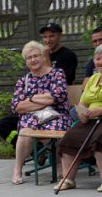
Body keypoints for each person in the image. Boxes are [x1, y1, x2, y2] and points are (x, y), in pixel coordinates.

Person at [55, 43, 102, 193]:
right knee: (70, 136)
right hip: (91, 118)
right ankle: (68, 179)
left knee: (100, 137)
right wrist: (82, 113)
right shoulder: (94, 78)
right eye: (97, 58)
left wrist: (99, 111)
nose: (100, 61)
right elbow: (83, 102)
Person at [0, 22, 81, 147]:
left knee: (44, 124)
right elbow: (17, 105)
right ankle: (36, 149)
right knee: (2, 124)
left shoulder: (67, 55)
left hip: (56, 108)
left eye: (51, 36)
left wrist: (46, 56)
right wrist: (31, 101)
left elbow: (58, 85)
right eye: (45, 37)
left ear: (60, 36)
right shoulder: (32, 63)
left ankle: (42, 150)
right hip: (34, 107)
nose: (47, 40)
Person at [8, 41, 72, 185]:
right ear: (26, 62)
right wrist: (43, 100)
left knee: (56, 128)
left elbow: (57, 97)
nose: (33, 60)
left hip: (57, 114)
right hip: (32, 116)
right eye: (29, 57)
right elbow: (17, 106)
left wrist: (30, 99)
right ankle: (17, 170)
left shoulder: (57, 74)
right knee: (25, 132)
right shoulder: (23, 81)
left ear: (43, 57)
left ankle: (60, 165)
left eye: (36, 56)